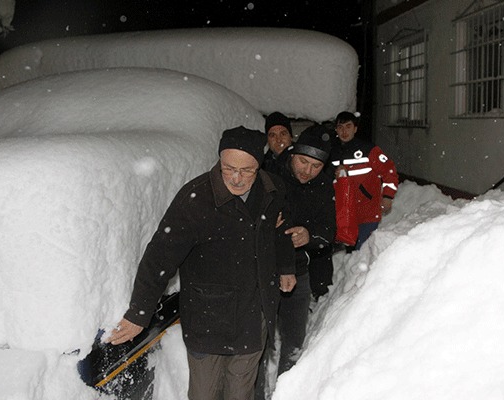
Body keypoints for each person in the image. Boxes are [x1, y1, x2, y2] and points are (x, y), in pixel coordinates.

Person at [107, 126, 297, 400]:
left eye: (247, 170)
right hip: (209, 316)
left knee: (241, 392)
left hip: (256, 312)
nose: (236, 177)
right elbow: (160, 255)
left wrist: (286, 266)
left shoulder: (272, 190)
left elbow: (281, 227)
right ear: (219, 161)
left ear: (260, 165)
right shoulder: (195, 199)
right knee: (204, 393)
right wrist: (139, 311)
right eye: (228, 167)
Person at [256, 124, 336, 399]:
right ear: (292, 154)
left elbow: (329, 231)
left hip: (299, 272)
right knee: (257, 343)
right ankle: (255, 392)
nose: (307, 170)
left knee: (293, 341)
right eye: (303, 161)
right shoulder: (268, 175)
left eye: (316, 165)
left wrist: (309, 236)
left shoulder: (324, 185)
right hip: (261, 271)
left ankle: (284, 391)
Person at [329, 111, 398, 250]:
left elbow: (389, 170)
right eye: (340, 127)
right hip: (345, 216)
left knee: (363, 255)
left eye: (348, 126)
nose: (344, 131)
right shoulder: (331, 153)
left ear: (355, 128)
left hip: (367, 214)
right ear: (336, 129)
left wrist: (388, 196)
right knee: (351, 258)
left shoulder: (369, 150)